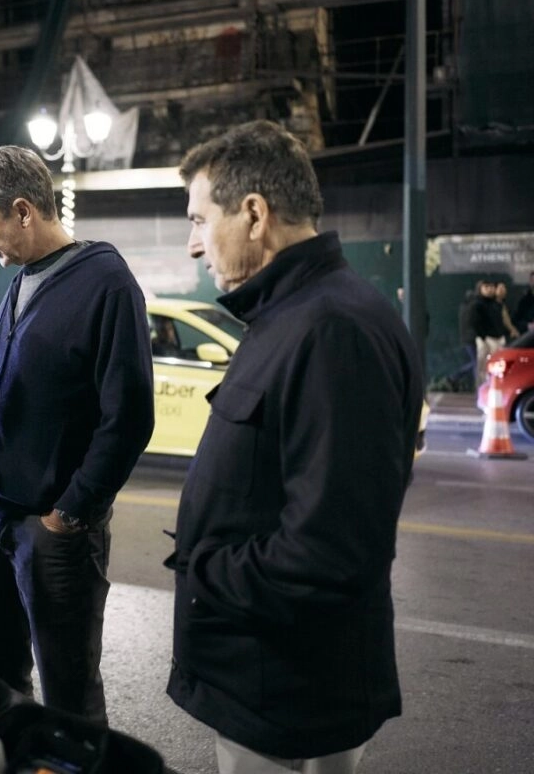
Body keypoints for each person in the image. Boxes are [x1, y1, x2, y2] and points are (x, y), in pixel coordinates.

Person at [168, 120, 423, 773]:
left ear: (254, 214)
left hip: (287, 697)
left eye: (199, 221)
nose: (193, 245)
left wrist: (205, 571)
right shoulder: (291, 315)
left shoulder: (332, 329)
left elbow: (329, 551)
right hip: (269, 684)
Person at [0, 146, 155, 724]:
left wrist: (69, 514)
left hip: (53, 534)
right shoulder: (23, 279)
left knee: (69, 702)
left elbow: (129, 417)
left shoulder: (107, 283)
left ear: (23, 211)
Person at [469, 280, 504, 385]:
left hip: (498, 338)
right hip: (485, 339)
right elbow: (475, 323)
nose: (489, 289)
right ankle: (482, 387)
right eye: (486, 287)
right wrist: (483, 338)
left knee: (497, 365)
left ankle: (496, 385)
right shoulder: (477, 304)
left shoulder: (496, 304)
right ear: (480, 289)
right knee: (483, 366)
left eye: (491, 286)